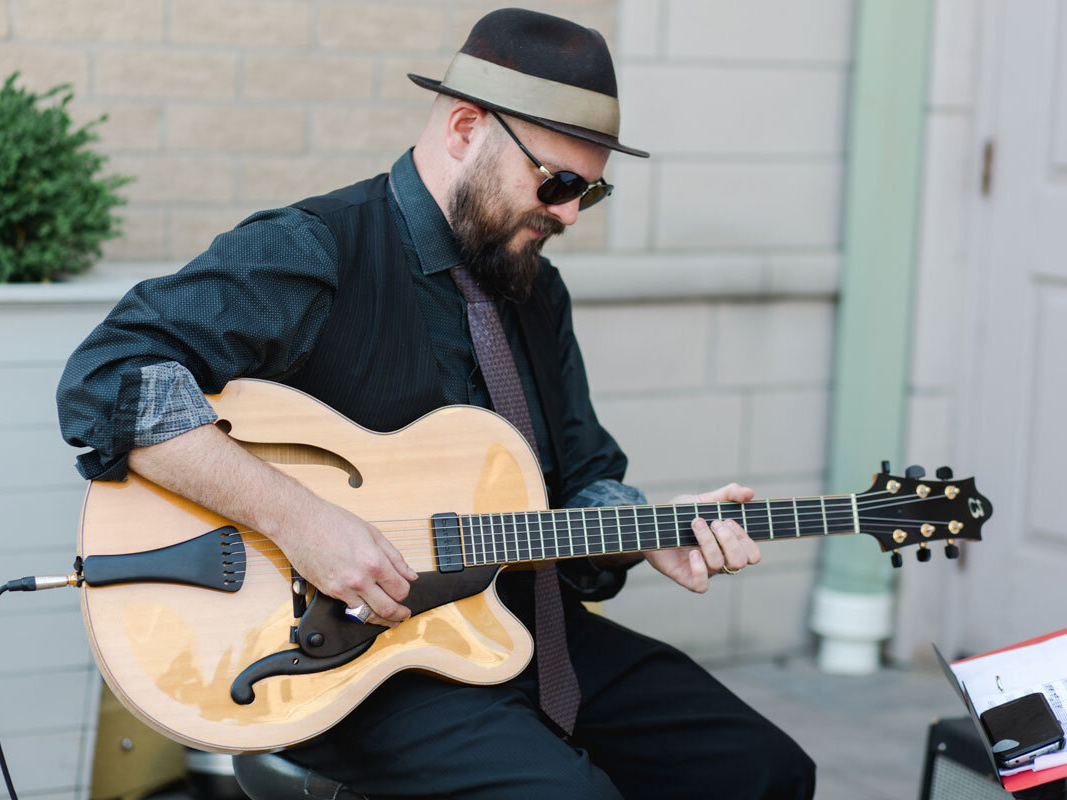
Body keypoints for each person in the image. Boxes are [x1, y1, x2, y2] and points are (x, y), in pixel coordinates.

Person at [57, 9, 816, 799]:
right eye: (556, 183)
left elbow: (585, 474)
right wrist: (302, 522)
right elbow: (111, 377)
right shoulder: (317, 247)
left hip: (519, 622)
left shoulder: (533, 289)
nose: (566, 215)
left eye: (588, 193)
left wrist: (645, 530)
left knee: (763, 771)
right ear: (463, 129)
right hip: (358, 661)